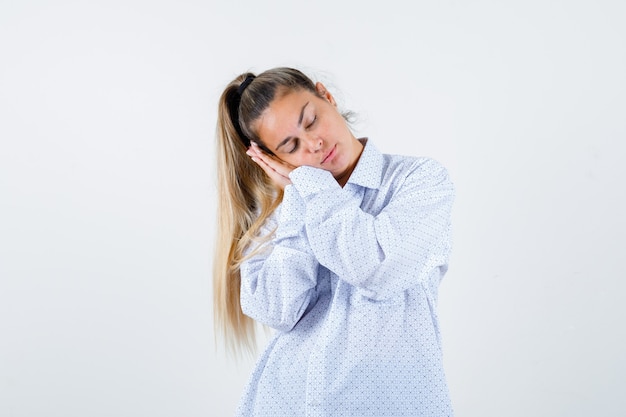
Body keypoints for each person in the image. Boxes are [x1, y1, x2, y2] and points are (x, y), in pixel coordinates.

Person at [213, 67, 455, 417]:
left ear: (327, 97)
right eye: (290, 145)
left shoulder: (419, 180)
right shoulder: (279, 217)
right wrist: (297, 202)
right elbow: (277, 312)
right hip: (285, 403)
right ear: (272, 159)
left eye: (311, 122)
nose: (313, 144)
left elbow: (377, 269)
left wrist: (317, 192)